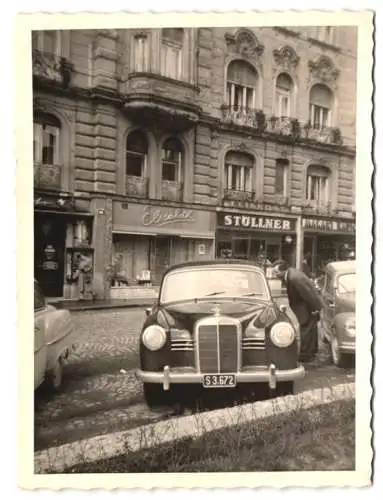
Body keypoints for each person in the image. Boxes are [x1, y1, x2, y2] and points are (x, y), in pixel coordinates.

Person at [277, 263, 324, 363]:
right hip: (306, 305)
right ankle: (311, 352)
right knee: (311, 328)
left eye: (276, 272)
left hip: (307, 306)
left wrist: (314, 308)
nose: (275, 275)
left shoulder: (294, 278)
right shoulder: (292, 274)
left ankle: (305, 355)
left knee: (305, 329)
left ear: (282, 271)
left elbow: (307, 293)